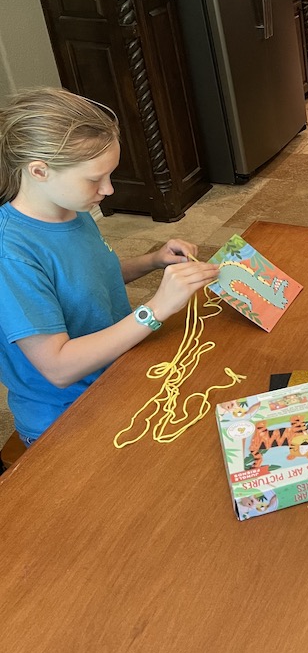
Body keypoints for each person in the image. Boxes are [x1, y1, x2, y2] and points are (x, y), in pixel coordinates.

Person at [0, 87, 219, 447]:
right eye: (94, 179)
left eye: (110, 175)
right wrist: (156, 309)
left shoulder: (71, 210)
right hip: (67, 415)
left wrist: (153, 261)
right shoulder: (11, 253)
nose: (109, 190)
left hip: (118, 374)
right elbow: (58, 368)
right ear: (40, 171)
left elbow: (88, 281)